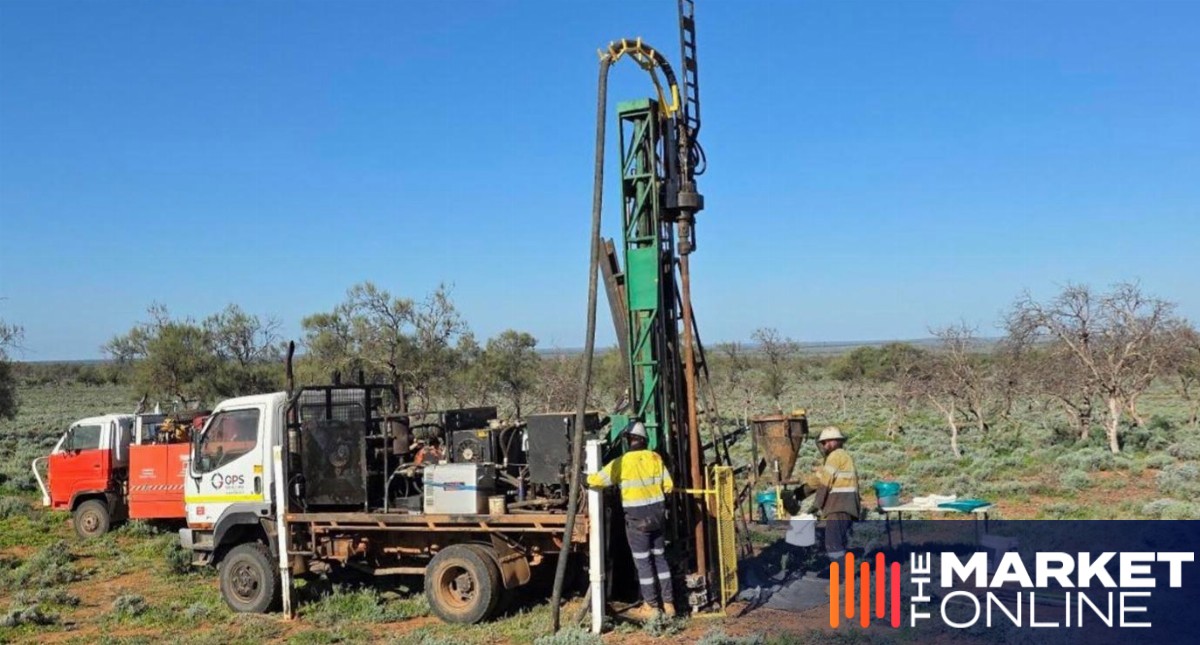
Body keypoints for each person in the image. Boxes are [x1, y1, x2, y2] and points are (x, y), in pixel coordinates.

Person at [587, 421, 677, 619]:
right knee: (660, 559)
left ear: (629, 441)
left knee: (643, 563)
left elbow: (596, 480)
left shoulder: (622, 462)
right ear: (644, 440)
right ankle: (669, 604)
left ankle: (651, 606)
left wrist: (584, 477)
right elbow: (668, 486)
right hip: (657, 516)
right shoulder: (655, 458)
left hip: (637, 519)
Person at [801, 427, 861, 560]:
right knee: (840, 542)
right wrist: (799, 493)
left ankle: (844, 576)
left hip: (839, 506)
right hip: (846, 506)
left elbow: (824, 485)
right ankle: (846, 574)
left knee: (833, 544)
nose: (824, 446)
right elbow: (820, 479)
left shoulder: (834, 457)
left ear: (833, 441)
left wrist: (815, 506)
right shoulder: (842, 456)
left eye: (825, 443)